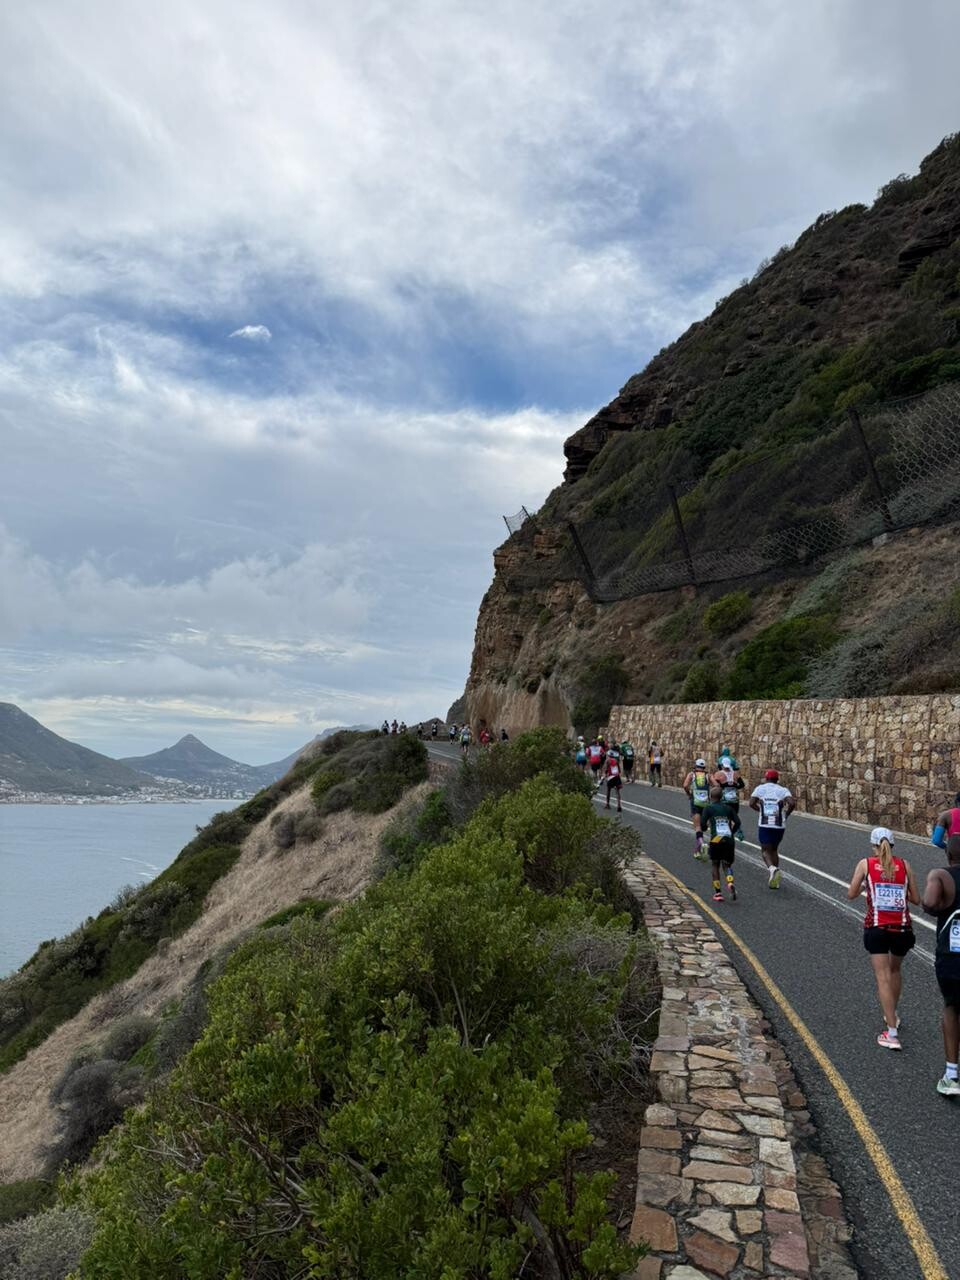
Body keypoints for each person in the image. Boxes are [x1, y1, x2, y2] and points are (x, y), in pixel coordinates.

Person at [847, 828, 920, 1050]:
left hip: (877, 928)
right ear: (893, 845)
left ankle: (892, 1033)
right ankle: (892, 1015)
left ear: (873, 846)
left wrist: (865, 885)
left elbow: (851, 894)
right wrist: (898, 889)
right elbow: (916, 899)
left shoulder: (866, 864)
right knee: (895, 970)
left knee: (882, 977)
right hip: (902, 928)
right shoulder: (905, 865)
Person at [921, 833, 960, 1095]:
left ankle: (951, 1075)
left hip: (952, 957)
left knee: (952, 1008)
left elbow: (930, 903)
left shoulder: (941, 875)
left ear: (948, 854)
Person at [749, 769, 795, 888]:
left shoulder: (760, 789)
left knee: (765, 850)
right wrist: (786, 814)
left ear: (766, 778)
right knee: (774, 849)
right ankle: (775, 879)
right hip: (779, 825)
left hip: (765, 824)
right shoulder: (783, 790)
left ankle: (772, 868)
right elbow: (792, 803)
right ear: (777, 779)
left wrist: (760, 810)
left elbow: (751, 803)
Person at [701, 785, 740, 902]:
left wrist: (705, 827)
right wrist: (732, 832)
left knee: (715, 864)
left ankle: (718, 893)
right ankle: (730, 882)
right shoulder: (728, 808)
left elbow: (702, 824)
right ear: (722, 797)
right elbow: (738, 822)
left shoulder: (708, 808)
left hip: (716, 839)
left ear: (710, 796)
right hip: (728, 839)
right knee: (727, 864)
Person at [715, 756, 746, 840]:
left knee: (724, 818)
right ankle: (737, 830)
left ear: (722, 765)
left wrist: (723, 786)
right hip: (734, 799)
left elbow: (716, 785)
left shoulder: (718, 774)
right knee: (734, 815)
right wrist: (735, 787)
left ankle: (724, 836)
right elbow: (742, 784)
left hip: (724, 800)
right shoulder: (735, 774)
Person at [601, 745, 623, 813]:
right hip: (617, 776)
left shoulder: (607, 761)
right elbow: (619, 770)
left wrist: (604, 777)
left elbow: (605, 769)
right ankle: (619, 805)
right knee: (617, 791)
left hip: (610, 777)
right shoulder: (616, 761)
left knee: (608, 790)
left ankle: (607, 804)